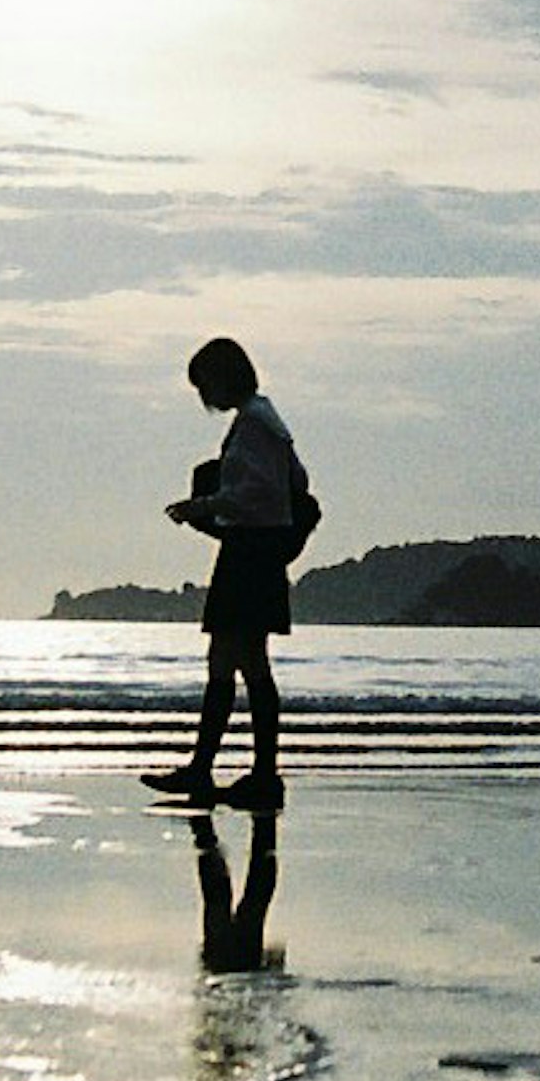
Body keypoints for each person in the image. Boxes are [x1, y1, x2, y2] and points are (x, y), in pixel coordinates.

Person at [143, 336, 309, 808]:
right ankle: (222, 769)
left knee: (243, 662)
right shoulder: (264, 419)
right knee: (233, 661)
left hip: (250, 551)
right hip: (254, 551)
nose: (204, 398)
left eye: (204, 386)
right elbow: (296, 483)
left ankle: (248, 773)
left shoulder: (255, 423)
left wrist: (205, 504)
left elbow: (258, 490)